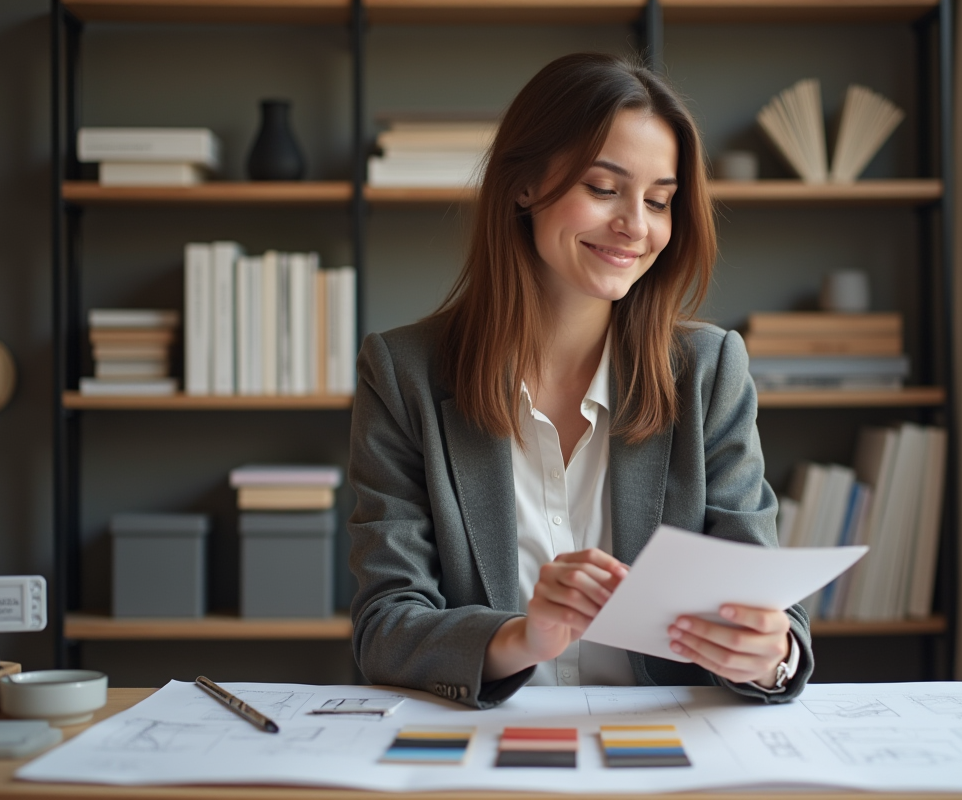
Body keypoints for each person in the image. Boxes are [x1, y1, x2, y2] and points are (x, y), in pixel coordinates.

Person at [348, 52, 812, 709]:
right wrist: (522, 637)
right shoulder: (404, 376)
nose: (637, 226)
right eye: (604, 189)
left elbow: (765, 607)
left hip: (667, 748)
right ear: (524, 186)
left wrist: (770, 655)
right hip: (482, 749)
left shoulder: (708, 372)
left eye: (660, 200)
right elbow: (384, 626)